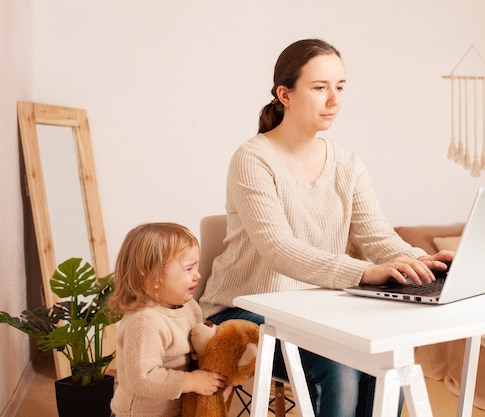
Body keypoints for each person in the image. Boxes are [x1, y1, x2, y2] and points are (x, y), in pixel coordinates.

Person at [199, 39, 454, 417]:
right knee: (340, 367)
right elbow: (279, 248)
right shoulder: (252, 158)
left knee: (385, 360)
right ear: (285, 94)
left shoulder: (348, 163)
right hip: (242, 311)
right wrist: (363, 271)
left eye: (340, 86)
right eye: (320, 88)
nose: (334, 99)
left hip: (318, 310)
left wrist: (423, 261)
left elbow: (378, 236)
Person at [109, 222, 230, 417]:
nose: (198, 275)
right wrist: (191, 381)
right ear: (153, 277)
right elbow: (143, 378)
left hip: (174, 409)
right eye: (189, 268)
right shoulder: (145, 321)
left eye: (196, 267)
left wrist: (215, 379)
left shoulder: (190, 307)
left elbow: (198, 349)